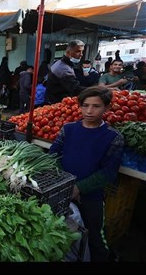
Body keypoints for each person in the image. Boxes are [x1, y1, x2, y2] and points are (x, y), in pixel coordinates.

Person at [49, 86, 124, 262]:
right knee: (61, 231)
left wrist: (79, 188)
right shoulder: (68, 129)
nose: (89, 111)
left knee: (96, 237)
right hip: (62, 190)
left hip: (92, 196)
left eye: (96, 106)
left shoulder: (113, 137)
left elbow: (108, 172)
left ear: (107, 108)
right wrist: (66, 183)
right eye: (85, 105)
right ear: (80, 106)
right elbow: (53, 154)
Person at [45, 40, 86, 104]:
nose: (81, 54)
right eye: (78, 51)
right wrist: (94, 90)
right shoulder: (64, 68)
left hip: (53, 99)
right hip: (57, 103)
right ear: (68, 52)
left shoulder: (59, 63)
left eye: (82, 51)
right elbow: (75, 89)